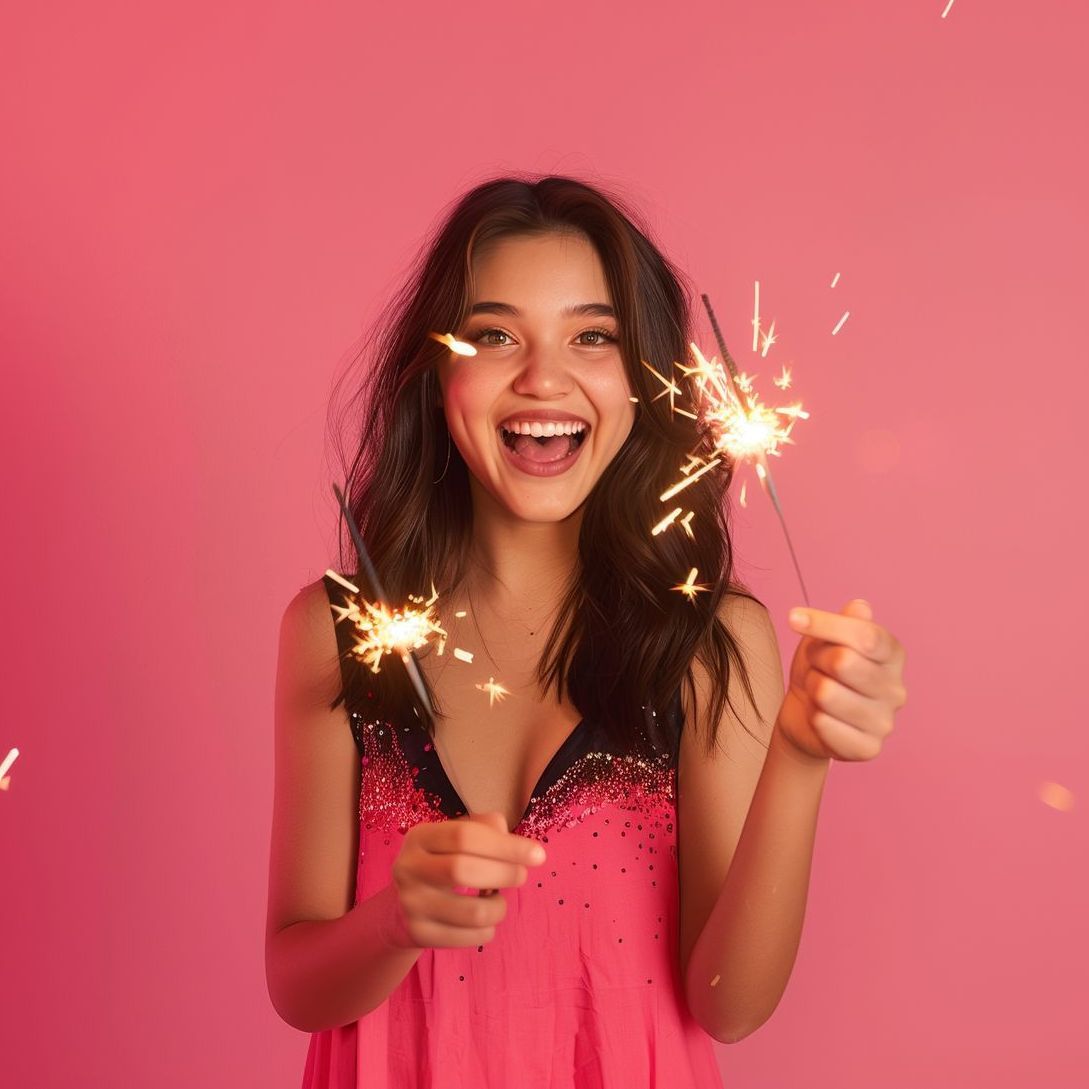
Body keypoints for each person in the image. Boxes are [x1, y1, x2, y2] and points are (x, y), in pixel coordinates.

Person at [264, 174, 909, 1088]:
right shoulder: (341, 630)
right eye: (493, 334)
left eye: (592, 336)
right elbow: (296, 985)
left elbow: (728, 1002)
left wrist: (799, 756)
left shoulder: (707, 643)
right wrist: (393, 921)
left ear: (645, 379)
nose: (542, 377)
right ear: (438, 370)